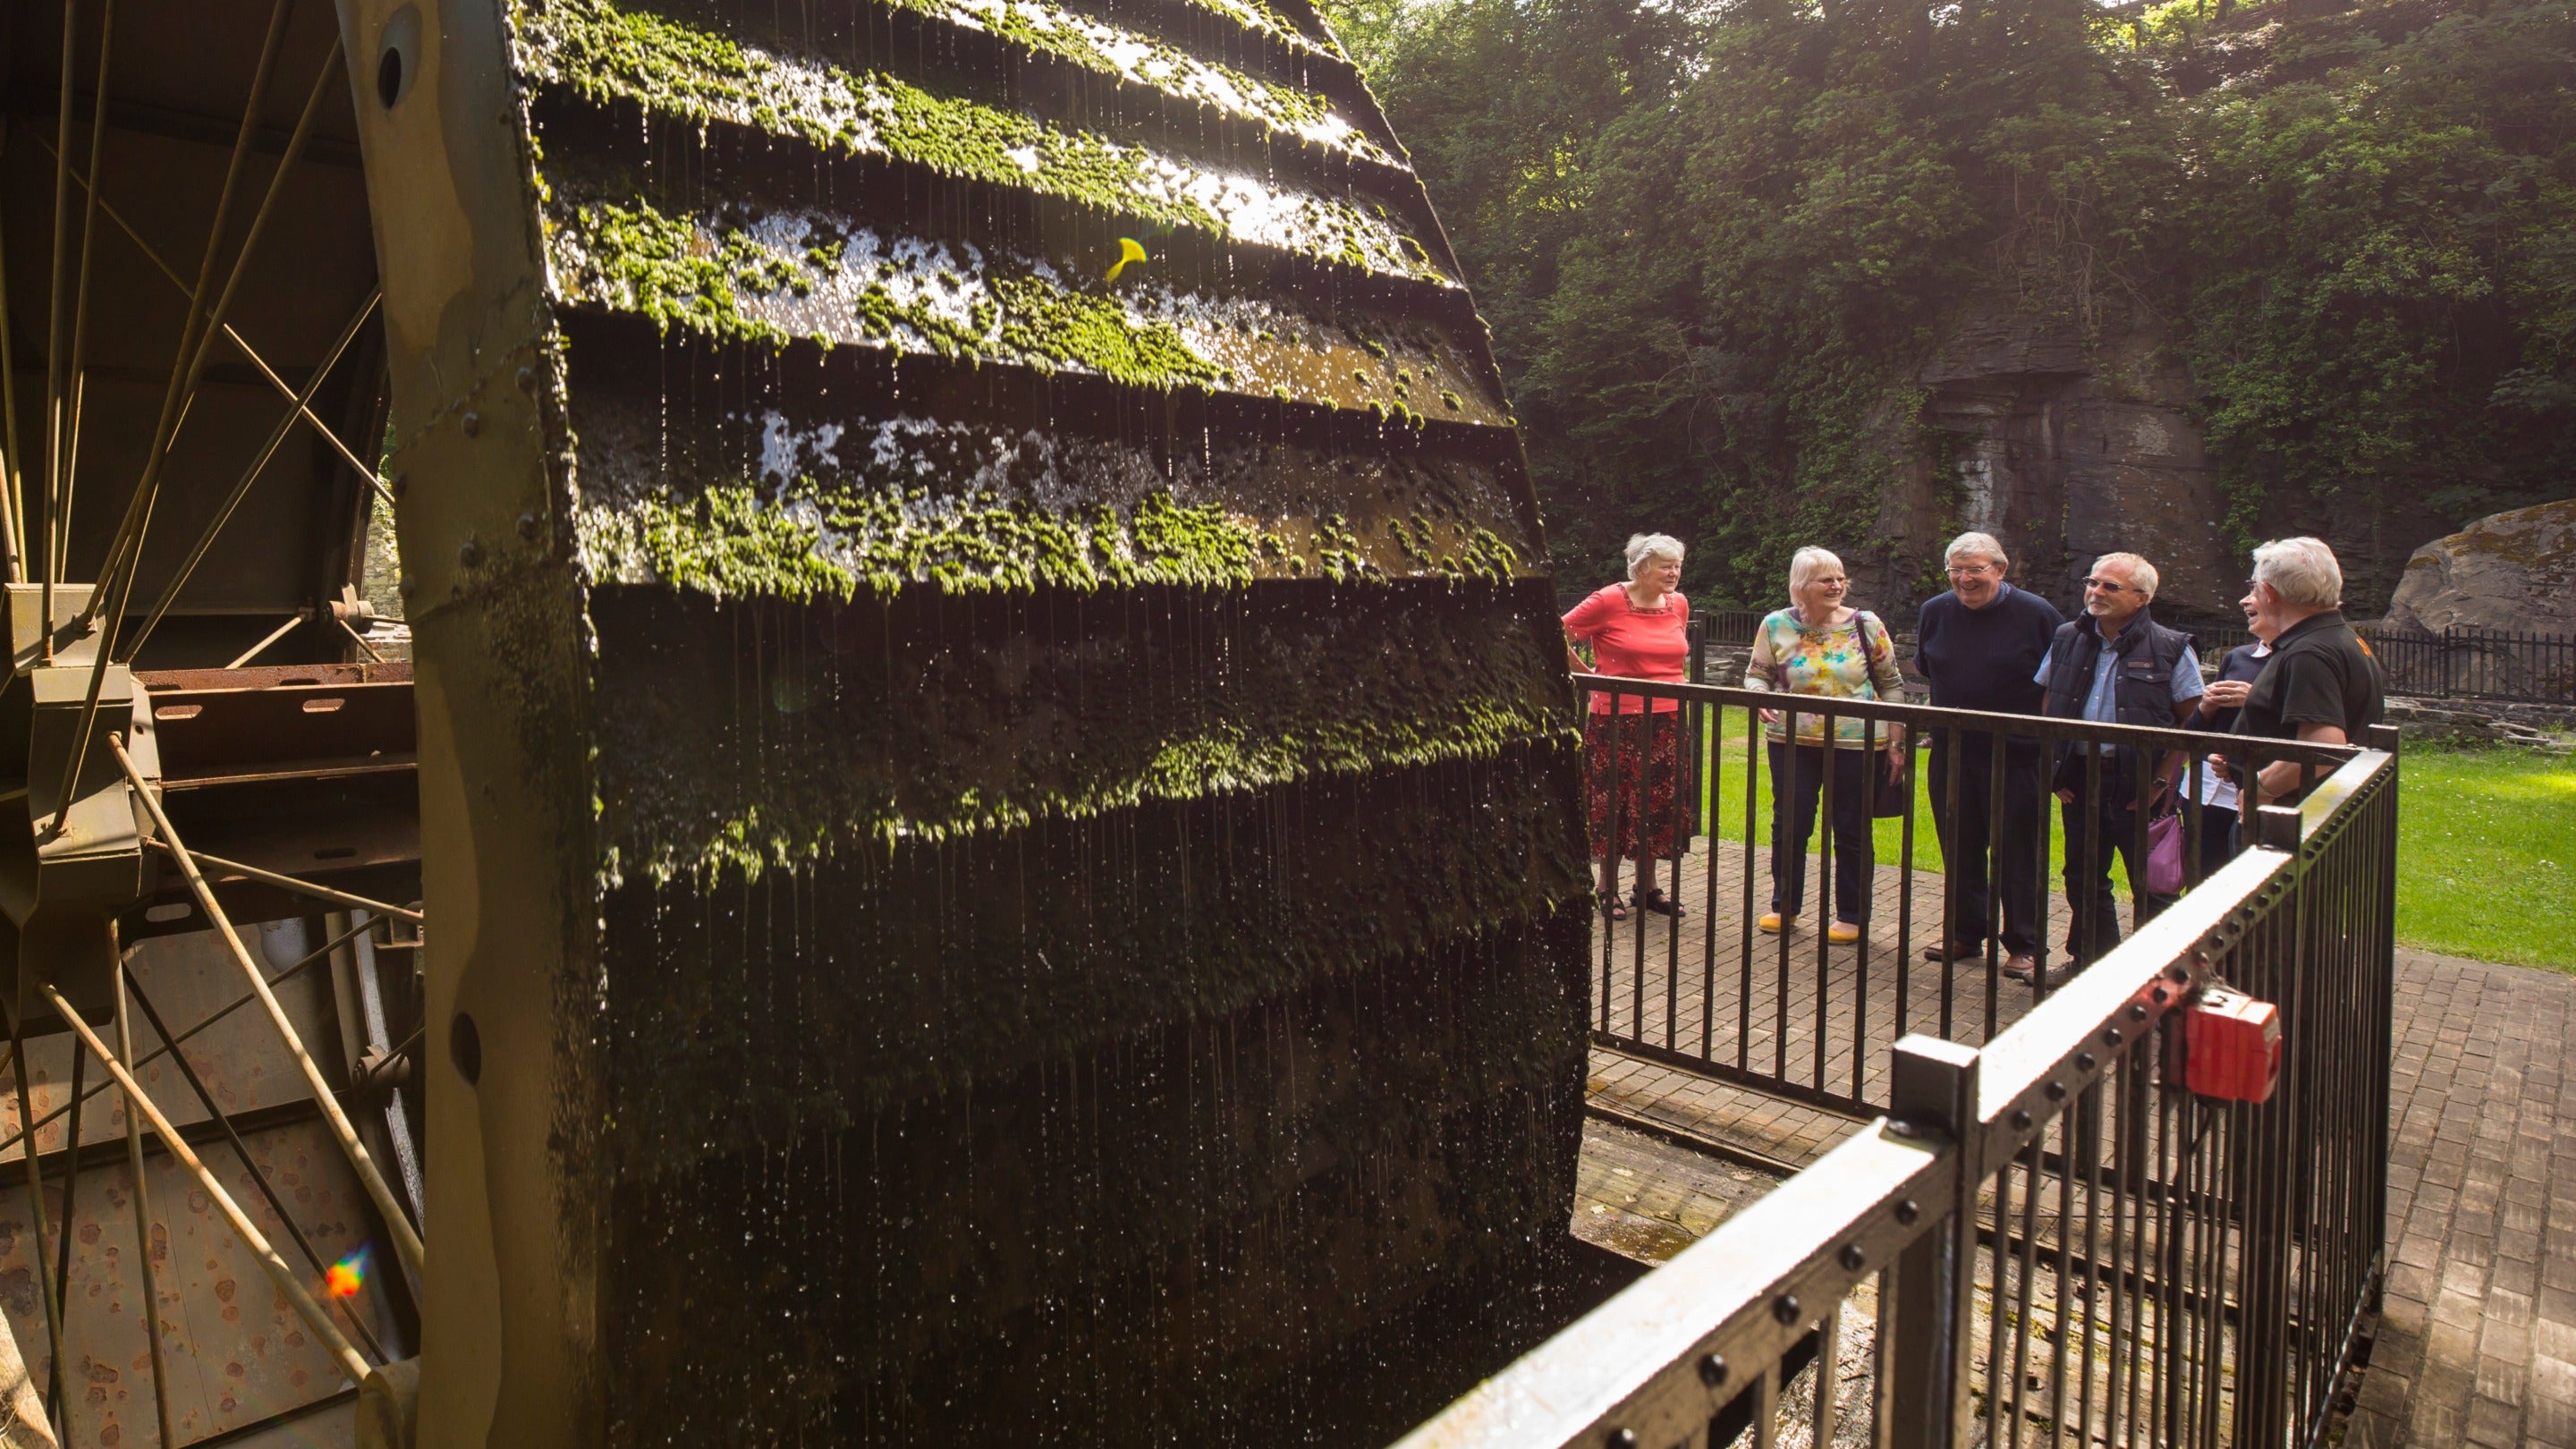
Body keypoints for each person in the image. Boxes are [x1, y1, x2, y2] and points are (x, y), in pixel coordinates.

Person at [2035, 552, 2205, 975]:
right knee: (2084, 878)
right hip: (2080, 780)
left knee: (2154, 886)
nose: (2096, 592)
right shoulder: (2066, 637)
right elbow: (2049, 702)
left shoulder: (2170, 647)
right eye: (2093, 582)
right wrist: (2055, 773)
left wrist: (2161, 783)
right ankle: (2094, 967)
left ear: (2142, 597)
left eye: (2111, 586)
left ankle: (2161, 978)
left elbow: (2192, 720)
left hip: (2141, 787)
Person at [1911, 531, 2063, 980]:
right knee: (1959, 844)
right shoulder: (1934, 611)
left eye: (1975, 569)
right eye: (1955, 570)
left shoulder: (2038, 615)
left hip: (2018, 755)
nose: (1964, 579)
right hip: (1953, 751)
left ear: (2000, 568)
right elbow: (1928, 666)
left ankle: (2025, 943)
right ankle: (1965, 932)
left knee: (2018, 850)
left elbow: (2059, 681)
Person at [1742, 547, 1906, 945]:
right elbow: (1756, 674)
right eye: (1826, 579)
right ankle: (1786, 906)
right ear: (1802, 586)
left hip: (1857, 744)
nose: (1836, 586)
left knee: (1851, 827)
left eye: (1840, 578)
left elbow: (1892, 684)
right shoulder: (1776, 624)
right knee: (1790, 824)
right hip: (1790, 741)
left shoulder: (1865, 625)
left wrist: (1897, 742)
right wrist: (1760, 694)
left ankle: (1852, 914)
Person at [1563, 534, 1695, 919]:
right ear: (1640, 568)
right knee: (1613, 802)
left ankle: (1648, 887)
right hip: (1616, 721)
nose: (1674, 573)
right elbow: (1557, 631)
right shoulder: (1608, 600)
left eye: (1677, 566)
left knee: (1659, 803)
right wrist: (1588, 676)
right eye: (1666, 566)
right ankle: (1606, 887)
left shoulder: (1679, 604)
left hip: (1668, 719)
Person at [2226, 537, 2385, 806]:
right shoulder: (2340, 638)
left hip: (2290, 819)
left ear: (2269, 592)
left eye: (2254, 587)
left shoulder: (2308, 653)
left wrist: (2261, 787)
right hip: (2321, 810)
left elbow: (2323, 747)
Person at [2186, 637, 2270, 877]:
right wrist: (2207, 706)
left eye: (2257, 596)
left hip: (2252, 791)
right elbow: (2195, 733)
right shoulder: (2237, 656)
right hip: (2206, 789)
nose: (2248, 601)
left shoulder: (2296, 660)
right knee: (2201, 879)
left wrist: (2256, 699)